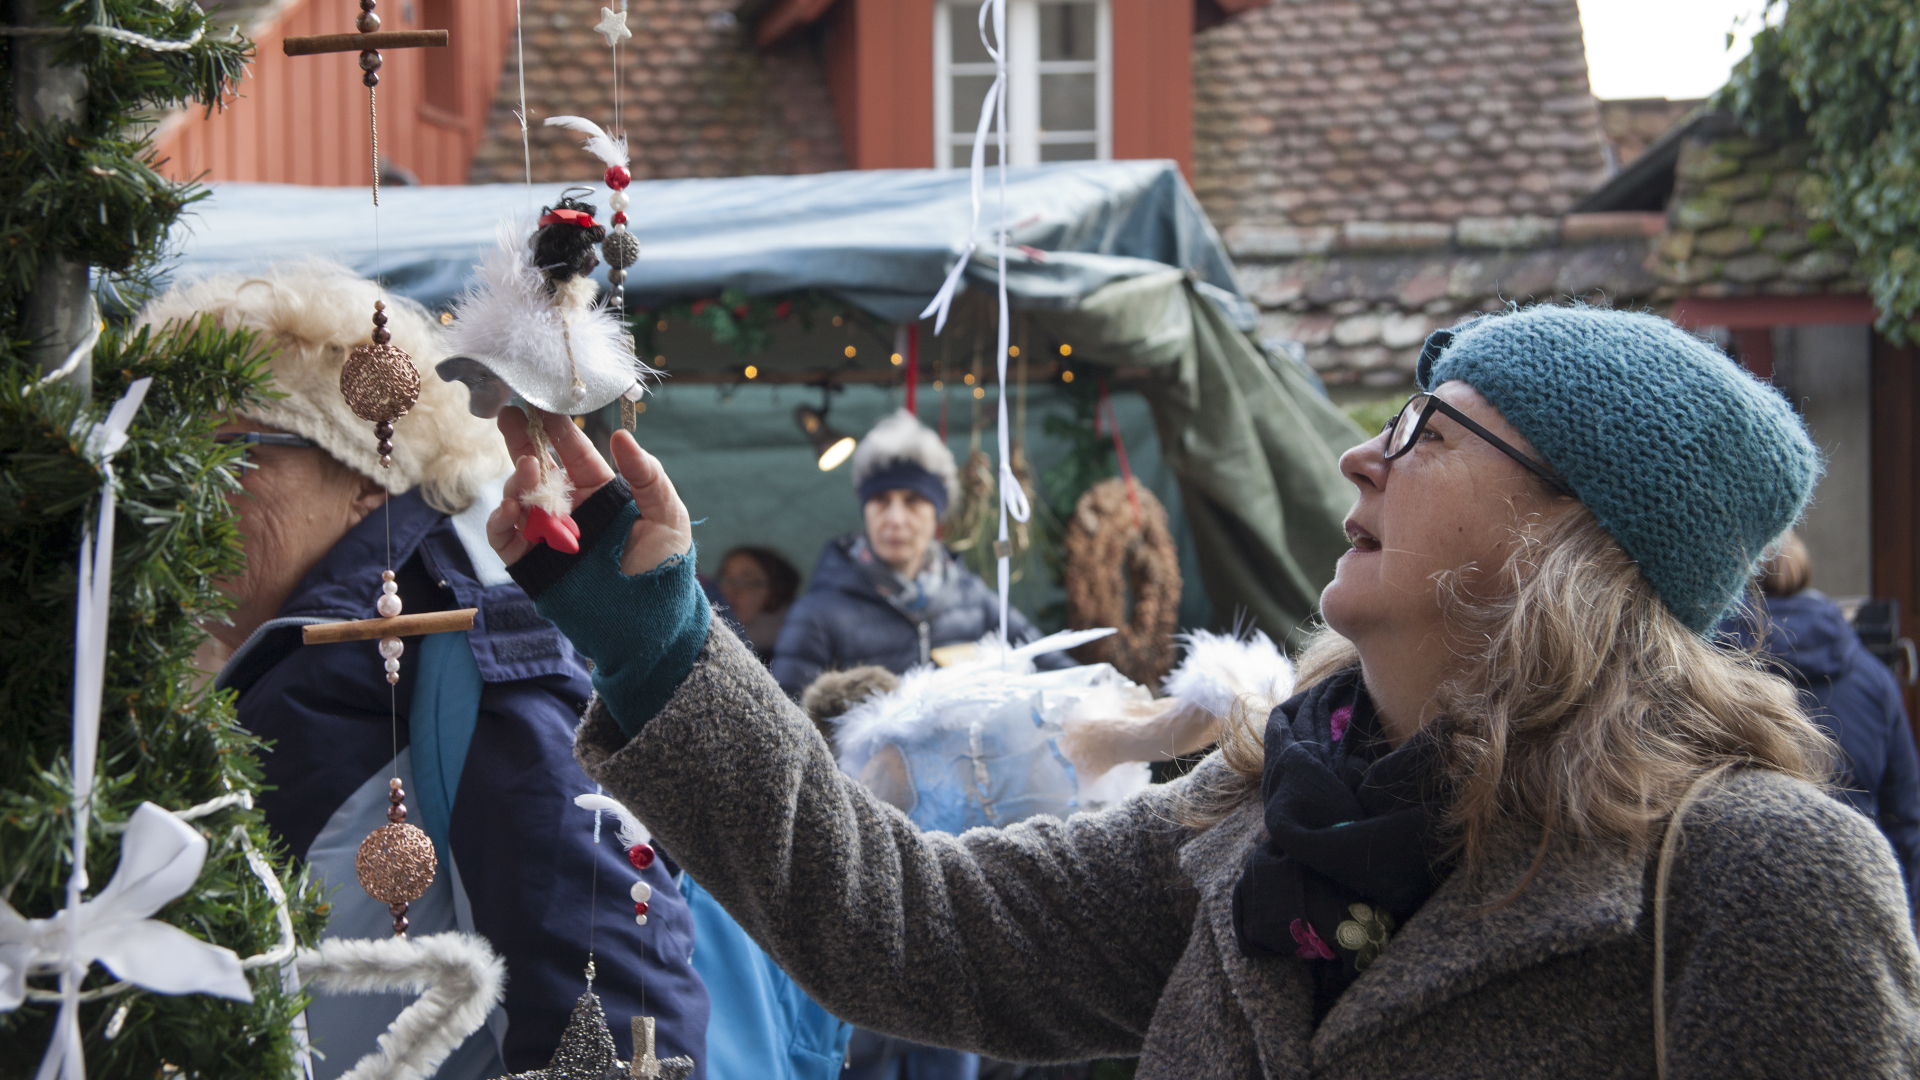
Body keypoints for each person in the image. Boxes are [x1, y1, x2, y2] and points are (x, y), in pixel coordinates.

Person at [488, 306, 1920, 1077]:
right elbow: (914, 927)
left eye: (1430, 429)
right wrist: (660, 644)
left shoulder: (1755, 875)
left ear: (1574, 533)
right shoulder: (1262, 815)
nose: (1362, 455)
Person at [143, 265, 709, 1079]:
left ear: (364, 476)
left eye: (234, 453)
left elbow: (599, 980)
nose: (187, 493)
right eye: (169, 458)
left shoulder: (466, 635)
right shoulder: (199, 652)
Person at [771, 411, 1068, 700]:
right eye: (880, 500)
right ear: (865, 509)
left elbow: (1058, 672)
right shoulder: (817, 614)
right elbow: (782, 721)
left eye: (913, 500)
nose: (895, 519)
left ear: (938, 512)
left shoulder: (974, 600)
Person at [1721, 530, 1920, 915]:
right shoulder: (1874, 679)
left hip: (1738, 902)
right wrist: (1903, 920)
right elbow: (1905, 817)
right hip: (1854, 898)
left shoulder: (1704, 673)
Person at [717, 546, 802, 663]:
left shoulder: (790, 653)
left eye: (747, 582)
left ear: (775, 593)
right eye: (726, 579)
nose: (730, 590)